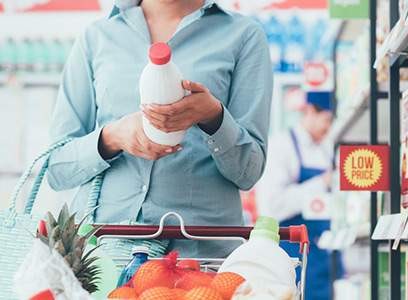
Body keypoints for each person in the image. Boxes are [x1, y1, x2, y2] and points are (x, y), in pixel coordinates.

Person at [47, 0, 272, 258]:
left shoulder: (243, 36)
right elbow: (57, 168)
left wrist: (214, 117)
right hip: (103, 256)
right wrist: (111, 138)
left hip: (198, 259)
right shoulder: (98, 36)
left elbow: (249, 173)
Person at [256, 91, 341, 300]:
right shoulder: (282, 146)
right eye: (327, 120)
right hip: (293, 256)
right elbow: (272, 206)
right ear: (310, 111)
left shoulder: (326, 149)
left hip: (324, 258)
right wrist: (321, 183)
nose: (328, 127)